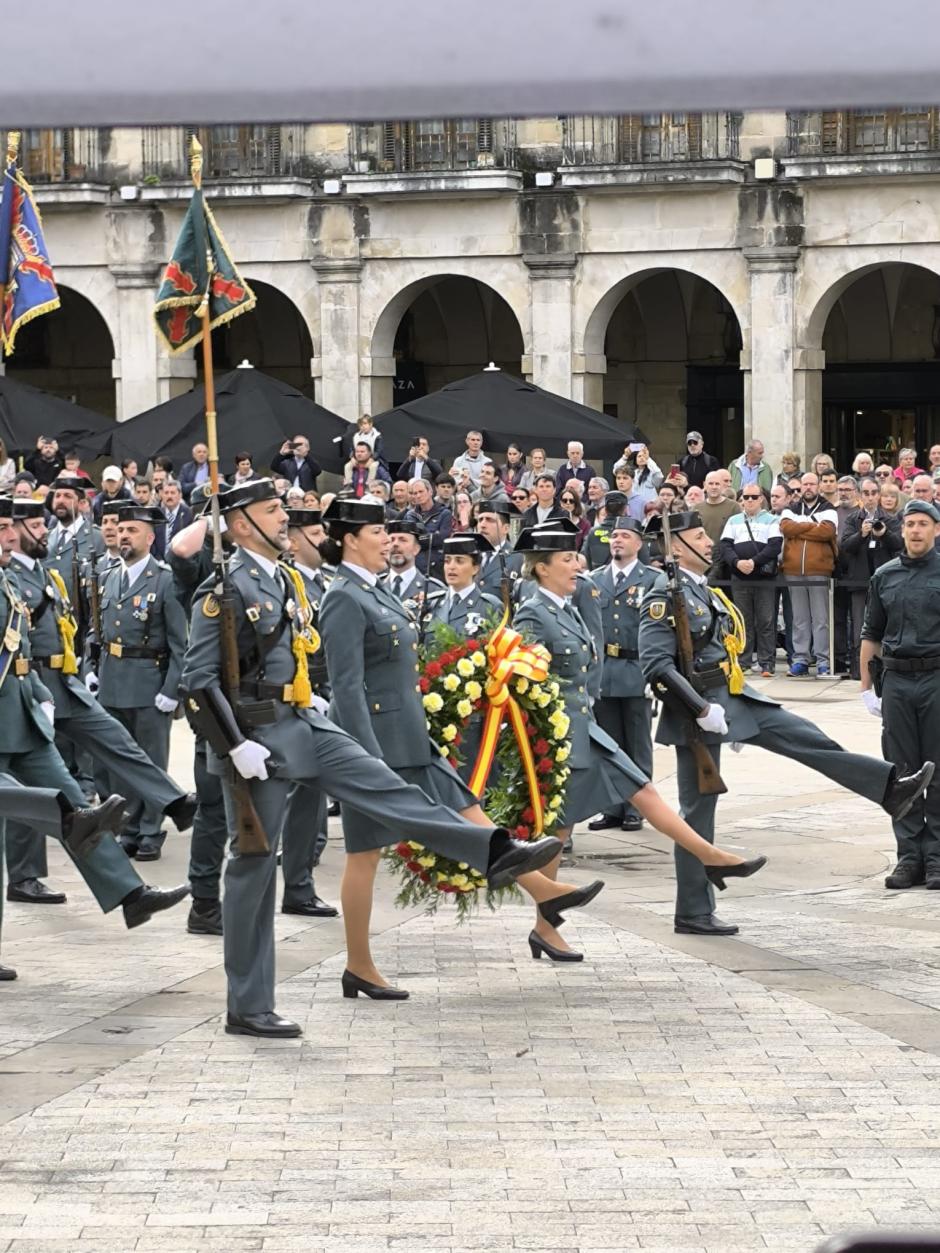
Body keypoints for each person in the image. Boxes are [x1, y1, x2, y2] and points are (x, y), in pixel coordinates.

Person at [181, 484, 566, 1034]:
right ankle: (248, 1005)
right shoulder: (226, 588)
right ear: (241, 527)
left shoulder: (286, 578)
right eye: (271, 513)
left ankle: (494, 850)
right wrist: (234, 746)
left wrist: (303, 692)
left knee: (386, 783)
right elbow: (197, 682)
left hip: (304, 722)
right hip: (257, 741)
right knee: (253, 866)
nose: (285, 520)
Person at [293, 495, 579, 999]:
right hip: (376, 746)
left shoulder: (375, 591)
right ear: (351, 539)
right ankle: (359, 964)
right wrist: (364, 760)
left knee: (466, 805)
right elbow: (347, 685)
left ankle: (545, 891)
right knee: (364, 854)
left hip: (411, 736)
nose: (389, 540)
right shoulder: (343, 596)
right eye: (379, 532)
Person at [638, 508, 933, 936]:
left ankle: (888, 788)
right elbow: (656, 665)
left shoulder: (697, 589)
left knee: (804, 735)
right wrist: (701, 711)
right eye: (699, 537)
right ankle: (694, 911)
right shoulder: (664, 594)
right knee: (697, 810)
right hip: (699, 710)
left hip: (732, 697)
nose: (708, 543)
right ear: (674, 547)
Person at [513, 524, 766, 959]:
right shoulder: (533, 613)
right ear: (541, 569)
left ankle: (710, 856)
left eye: (576, 558)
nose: (579, 565)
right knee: (556, 831)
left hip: (582, 728)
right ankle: (545, 927)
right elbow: (523, 683)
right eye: (568, 560)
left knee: (641, 791)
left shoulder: (568, 606)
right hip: (557, 735)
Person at [0, 496, 190, 935]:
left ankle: (129, 894)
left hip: (23, 717)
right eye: (5, 527)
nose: (12, 536)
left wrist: (36, 695)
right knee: (59, 809)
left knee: (80, 812)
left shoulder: (9, 579)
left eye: (13, 525)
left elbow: (19, 651)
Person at [94, 504, 188, 861]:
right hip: (112, 681)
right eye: (121, 530)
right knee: (120, 760)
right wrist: (93, 668)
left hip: (150, 684)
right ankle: (129, 826)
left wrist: (171, 689)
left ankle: (151, 829)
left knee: (149, 760)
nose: (124, 536)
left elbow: (182, 643)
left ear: (150, 538)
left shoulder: (164, 580)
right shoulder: (108, 576)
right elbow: (98, 629)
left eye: (133, 530)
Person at [861, 499, 940, 889]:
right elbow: (871, 633)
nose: (915, 530)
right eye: (910, 524)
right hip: (896, 681)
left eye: (923, 523)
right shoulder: (885, 575)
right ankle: (909, 858)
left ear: (936, 530)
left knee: (938, 770)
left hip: (937, 678)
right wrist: (866, 689)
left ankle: (938, 858)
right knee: (902, 772)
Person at [585, 517, 660, 833]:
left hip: (635, 669)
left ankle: (636, 807)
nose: (617, 540)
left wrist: (654, 675)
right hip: (604, 671)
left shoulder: (651, 580)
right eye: (614, 535)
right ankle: (612, 806)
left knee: (636, 745)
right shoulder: (594, 579)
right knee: (609, 744)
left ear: (639, 543)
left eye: (625, 536)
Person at [839, 476, 903, 681]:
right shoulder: (853, 519)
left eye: (874, 493)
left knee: (884, 626)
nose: (870, 498)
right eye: (866, 493)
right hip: (859, 581)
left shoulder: (890, 519)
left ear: (879, 495)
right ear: (860, 495)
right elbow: (845, 546)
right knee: (859, 626)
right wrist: (862, 534)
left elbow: (899, 544)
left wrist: (883, 534)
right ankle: (859, 671)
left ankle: (884, 669)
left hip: (884, 582)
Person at [780, 472, 838, 678]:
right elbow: (785, 528)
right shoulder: (790, 509)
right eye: (804, 484)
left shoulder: (829, 509)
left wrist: (799, 529)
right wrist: (812, 526)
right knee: (799, 618)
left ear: (819, 486)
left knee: (821, 619)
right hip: (793, 570)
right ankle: (800, 659)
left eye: (812, 484)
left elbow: (827, 532)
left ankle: (823, 660)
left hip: (819, 570)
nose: (808, 488)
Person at [719, 487, 782, 677]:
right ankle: (744, 661)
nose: (750, 500)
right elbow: (725, 546)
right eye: (746, 497)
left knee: (766, 620)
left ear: (762, 499)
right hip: (740, 576)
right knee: (742, 621)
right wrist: (737, 563)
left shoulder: (772, 519)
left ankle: (766, 663)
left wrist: (753, 562)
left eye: (754, 497)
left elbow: (774, 546)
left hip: (763, 578)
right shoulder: (733, 520)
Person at [384, 517, 446, 621]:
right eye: (391, 540)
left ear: (416, 549)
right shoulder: (375, 586)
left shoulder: (434, 590)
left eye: (403, 540)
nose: (395, 544)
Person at [402, 478, 453, 578]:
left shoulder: (444, 513)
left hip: (436, 565)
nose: (418, 496)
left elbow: (442, 539)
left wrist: (419, 538)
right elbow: (408, 540)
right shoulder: (410, 515)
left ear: (430, 492)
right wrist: (431, 535)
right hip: (415, 564)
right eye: (415, 493)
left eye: (421, 492)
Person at [474, 500, 524, 598]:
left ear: (506, 528)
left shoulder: (518, 559)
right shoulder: (470, 555)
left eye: (490, 520)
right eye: (480, 520)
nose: (482, 525)